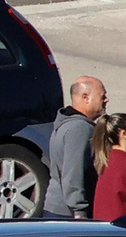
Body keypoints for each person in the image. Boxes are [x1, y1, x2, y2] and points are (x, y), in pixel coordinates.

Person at [44, 75, 107, 218]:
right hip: (67, 214)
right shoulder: (79, 129)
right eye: (102, 96)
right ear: (86, 97)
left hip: (58, 209)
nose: (106, 100)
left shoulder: (67, 124)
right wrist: (79, 211)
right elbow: (73, 172)